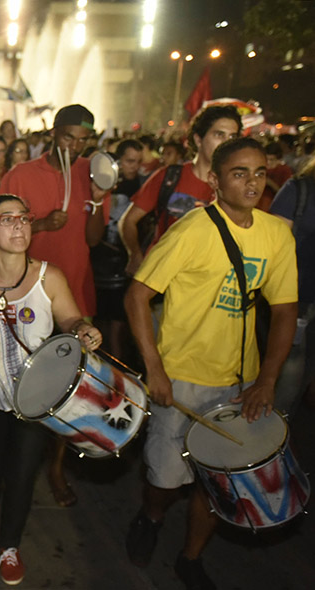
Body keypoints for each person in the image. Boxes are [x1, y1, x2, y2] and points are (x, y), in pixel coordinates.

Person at [124, 138, 297, 589]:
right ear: (215, 181)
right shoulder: (191, 231)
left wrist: (267, 380)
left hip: (240, 384)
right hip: (182, 379)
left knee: (219, 482)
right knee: (165, 478)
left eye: (260, 172)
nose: (252, 182)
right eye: (240, 173)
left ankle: (190, 557)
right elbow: (137, 296)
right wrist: (155, 369)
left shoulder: (277, 234)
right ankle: (151, 515)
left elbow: (284, 312)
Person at [0, 194, 101, 586]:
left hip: (35, 402)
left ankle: (9, 544)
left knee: (23, 477)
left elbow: (70, 319)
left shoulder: (49, 277)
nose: (20, 225)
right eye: (7, 220)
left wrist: (82, 329)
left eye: (24, 218)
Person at [0, 103, 108, 318]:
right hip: (27, 292)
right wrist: (41, 224)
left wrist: (97, 201)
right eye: (68, 137)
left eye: (83, 140)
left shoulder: (93, 173)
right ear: (53, 133)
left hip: (77, 293)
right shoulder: (20, 175)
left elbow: (94, 240)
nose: (75, 146)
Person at [119, 106, 241, 275]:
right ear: (198, 139)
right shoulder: (169, 176)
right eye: (219, 135)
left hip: (205, 279)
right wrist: (135, 254)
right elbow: (128, 221)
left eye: (232, 137)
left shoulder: (235, 186)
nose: (226, 143)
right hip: (160, 275)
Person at [90, 138, 146, 360]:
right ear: (119, 162)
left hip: (125, 261)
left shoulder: (143, 186)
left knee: (119, 324)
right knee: (101, 319)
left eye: (138, 161)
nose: (135, 166)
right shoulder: (104, 182)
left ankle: (118, 364)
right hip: (100, 260)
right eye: (130, 161)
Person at [269, 152, 315, 414]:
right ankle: (277, 422)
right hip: (294, 297)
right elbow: (273, 244)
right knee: (290, 359)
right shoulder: (299, 189)